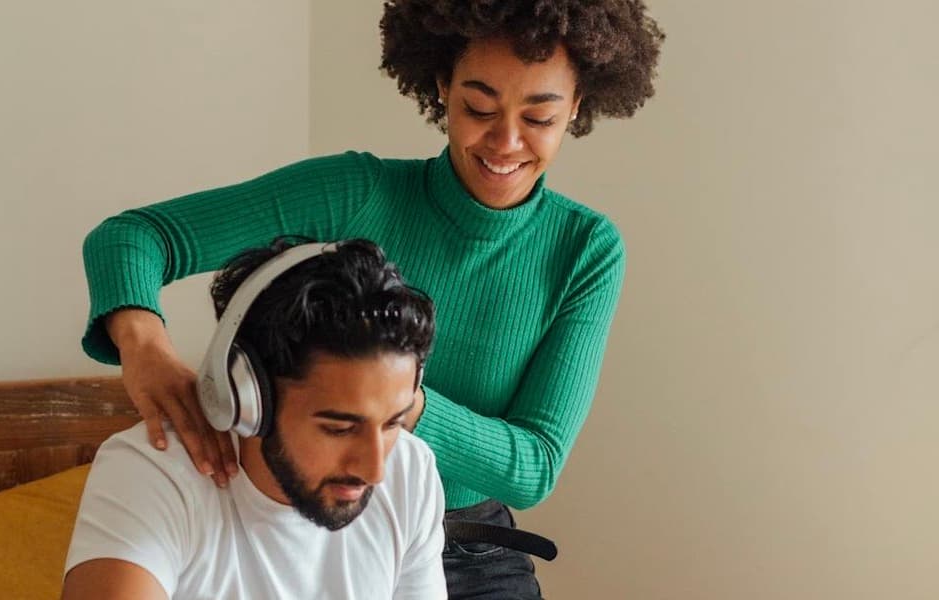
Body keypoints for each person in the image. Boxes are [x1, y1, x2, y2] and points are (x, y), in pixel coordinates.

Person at [78, 1, 664, 597]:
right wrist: (142, 342)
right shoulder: (355, 192)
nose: (506, 141)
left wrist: (392, 402)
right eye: (478, 107)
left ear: (577, 109)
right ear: (441, 87)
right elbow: (132, 238)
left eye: (539, 117)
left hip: (472, 548)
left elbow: (533, 466)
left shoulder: (585, 248)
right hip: (319, 516)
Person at [63, 238, 446, 600]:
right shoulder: (153, 472)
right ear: (247, 400)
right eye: (339, 429)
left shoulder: (411, 470)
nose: (375, 469)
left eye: (392, 423)